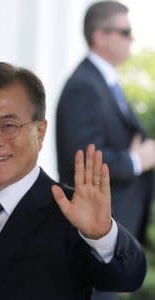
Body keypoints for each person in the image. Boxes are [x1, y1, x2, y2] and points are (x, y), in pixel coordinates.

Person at [0, 62, 146, 300]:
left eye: (9, 125)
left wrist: (102, 236)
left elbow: (128, 276)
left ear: (40, 132)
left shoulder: (73, 214)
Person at [56, 3, 155, 298]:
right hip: (93, 238)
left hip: (109, 236)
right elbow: (83, 164)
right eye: (125, 32)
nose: (131, 39)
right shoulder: (84, 86)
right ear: (100, 35)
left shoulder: (104, 83)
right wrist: (137, 160)